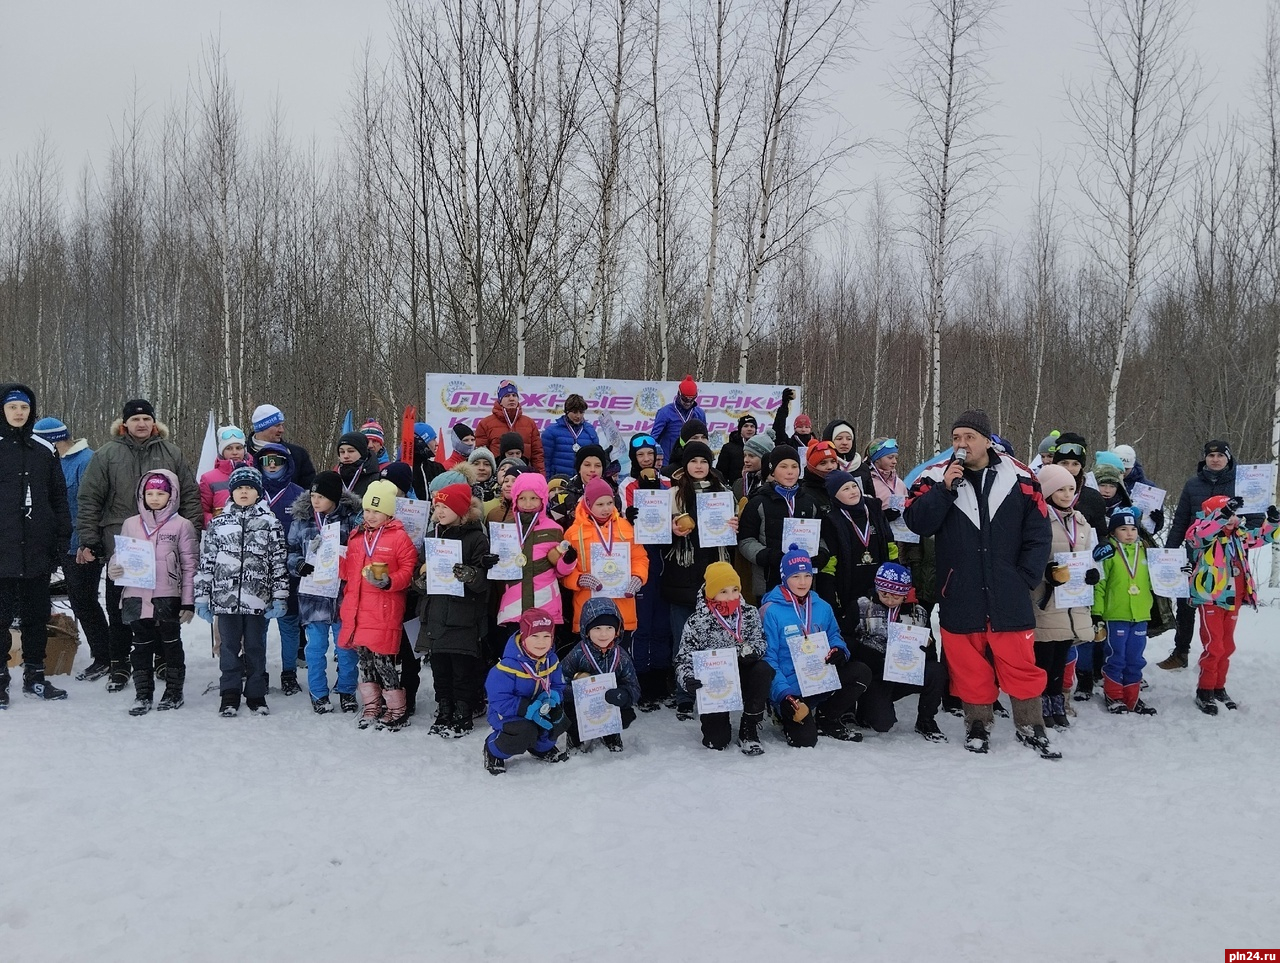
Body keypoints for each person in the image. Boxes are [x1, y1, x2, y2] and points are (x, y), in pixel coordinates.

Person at [904, 409, 1058, 758]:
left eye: (969, 437)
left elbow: (1038, 533)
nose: (961, 444)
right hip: (960, 589)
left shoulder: (1020, 476)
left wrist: (1025, 578)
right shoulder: (933, 477)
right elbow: (917, 522)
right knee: (967, 663)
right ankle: (977, 723)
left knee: (1019, 661)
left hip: (1009, 589)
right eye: (956, 438)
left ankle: (1030, 723)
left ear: (988, 440)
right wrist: (944, 490)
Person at [76, 398, 202, 692]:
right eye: (135, 420)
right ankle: (120, 663)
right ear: (124, 424)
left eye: (146, 418)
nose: (141, 424)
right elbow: (89, 498)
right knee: (121, 607)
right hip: (122, 544)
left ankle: (160, 657)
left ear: (155, 423)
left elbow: (190, 496)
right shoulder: (107, 454)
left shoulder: (171, 453)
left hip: (164, 547)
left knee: (162, 606)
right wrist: (90, 539)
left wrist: (190, 532)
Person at [194, 466, 289, 718]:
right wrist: (202, 597)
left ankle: (256, 694)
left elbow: (278, 562)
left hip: (257, 599)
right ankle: (230, 693)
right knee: (228, 647)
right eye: (238, 488)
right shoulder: (218, 523)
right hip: (225, 600)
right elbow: (207, 563)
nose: (243, 492)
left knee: (256, 647)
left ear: (257, 492)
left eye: (249, 488)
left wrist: (279, 597)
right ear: (231, 492)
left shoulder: (270, 523)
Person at [0, 384, 72, 705]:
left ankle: (35, 676)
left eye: (24, 408)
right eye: (13, 407)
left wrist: (60, 540)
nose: (19, 412)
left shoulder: (44, 449)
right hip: (3, 552)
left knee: (35, 616)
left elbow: (58, 499)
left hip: (37, 552)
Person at [108, 470, 198, 714]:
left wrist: (188, 602)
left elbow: (190, 565)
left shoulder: (182, 525)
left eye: (161, 493)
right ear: (142, 495)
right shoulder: (130, 523)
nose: (155, 498)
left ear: (172, 495)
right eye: (150, 493)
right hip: (135, 595)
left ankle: (173, 692)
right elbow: (120, 555)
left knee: (170, 644)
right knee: (141, 646)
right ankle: (143, 694)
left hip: (167, 594)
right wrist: (113, 568)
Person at [1183, 494, 1279, 714]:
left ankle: (1218, 687)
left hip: (1233, 597)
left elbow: (1263, 536)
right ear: (1210, 514)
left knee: (1227, 646)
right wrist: (1222, 514)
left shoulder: (1239, 534)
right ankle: (1204, 690)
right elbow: (1200, 536)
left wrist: (1273, 521)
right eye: (1225, 513)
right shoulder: (1201, 532)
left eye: (1233, 514)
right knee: (1214, 646)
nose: (1230, 518)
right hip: (1210, 597)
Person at [760, 547, 866, 746]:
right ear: (784, 578)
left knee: (861, 672)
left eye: (807, 575)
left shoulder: (822, 607)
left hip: (819, 679)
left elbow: (835, 635)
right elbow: (768, 658)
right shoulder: (771, 611)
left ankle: (827, 718)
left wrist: (839, 651)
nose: (803, 582)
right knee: (805, 741)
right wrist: (783, 695)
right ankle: (783, 711)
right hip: (790, 688)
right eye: (796, 576)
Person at [338, 479, 421, 730]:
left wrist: (389, 581)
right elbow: (348, 572)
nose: (371, 516)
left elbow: (409, 570)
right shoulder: (356, 537)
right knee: (364, 661)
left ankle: (397, 707)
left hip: (384, 610)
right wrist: (328, 556)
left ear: (388, 513)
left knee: (384, 662)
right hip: (357, 610)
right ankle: (372, 704)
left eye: (377, 511)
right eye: (367, 510)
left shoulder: (399, 538)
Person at [33, 416, 111, 682]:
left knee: (84, 601)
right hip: (57, 544)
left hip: (81, 545)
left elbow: (90, 507)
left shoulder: (86, 461)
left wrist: (86, 543)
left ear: (53, 441)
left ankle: (105, 656)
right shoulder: (53, 462)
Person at [417, 482, 494, 737]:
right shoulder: (432, 536)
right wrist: (420, 579)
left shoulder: (476, 538)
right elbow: (419, 573)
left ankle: (463, 712)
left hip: (463, 616)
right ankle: (444, 709)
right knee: (440, 669)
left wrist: (470, 574)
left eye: (445, 506)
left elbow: (484, 581)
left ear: (460, 509)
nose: (439, 511)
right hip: (436, 614)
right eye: (437, 506)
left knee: (462, 669)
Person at [673, 562, 775, 754]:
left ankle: (749, 728)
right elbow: (683, 658)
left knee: (763, 670)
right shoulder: (696, 621)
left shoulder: (750, 613)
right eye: (724, 591)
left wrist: (752, 652)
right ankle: (719, 724)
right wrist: (687, 679)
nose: (731, 597)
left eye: (735, 590)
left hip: (743, 673)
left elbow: (760, 641)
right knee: (717, 741)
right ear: (711, 593)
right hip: (714, 685)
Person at [287, 471, 363, 714]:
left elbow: (361, 550)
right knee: (316, 647)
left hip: (342, 594)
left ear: (335, 497)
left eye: (321, 496)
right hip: (313, 595)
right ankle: (318, 692)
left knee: (346, 648)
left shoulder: (352, 519)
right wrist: (297, 564)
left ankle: (347, 690)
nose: (315, 501)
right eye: (313, 495)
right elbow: (290, 550)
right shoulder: (302, 519)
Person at [1159, 440, 1238, 671]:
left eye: (1220, 455)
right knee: (1185, 605)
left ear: (1228, 458)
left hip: (1226, 560)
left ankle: (1216, 658)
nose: (1215, 459)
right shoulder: (1193, 484)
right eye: (1210, 455)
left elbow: (1252, 519)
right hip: (1195, 555)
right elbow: (1181, 520)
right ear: (1205, 458)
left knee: (1219, 611)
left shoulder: (1238, 484)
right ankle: (1181, 652)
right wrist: (1170, 552)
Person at [852, 563, 949, 741]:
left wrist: (925, 648)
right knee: (882, 724)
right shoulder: (862, 607)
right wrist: (870, 655)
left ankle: (926, 720)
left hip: (905, 673)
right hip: (876, 675)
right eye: (884, 594)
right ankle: (867, 710)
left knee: (936, 670)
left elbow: (931, 656)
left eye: (896, 596)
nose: (889, 600)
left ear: (905, 593)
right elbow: (847, 640)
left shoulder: (918, 613)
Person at [1032, 464, 1098, 725]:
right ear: (1048, 490)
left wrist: (1092, 573)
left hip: (1073, 602)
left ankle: (1057, 700)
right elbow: (1027, 558)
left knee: (1062, 655)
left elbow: (1088, 557)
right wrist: (1047, 573)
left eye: (1071, 488)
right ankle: (1042, 702)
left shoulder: (1081, 521)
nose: (1067, 494)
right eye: (1060, 489)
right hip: (1046, 600)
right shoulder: (1037, 519)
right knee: (1045, 656)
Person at [618, 434, 674, 709]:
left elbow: (673, 513)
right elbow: (627, 515)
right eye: (640, 456)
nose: (646, 460)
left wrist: (658, 488)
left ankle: (661, 676)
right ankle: (639, 676)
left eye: (650, 455)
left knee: (663, 621)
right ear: (633, 458)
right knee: (642, 622)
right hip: (641, 555)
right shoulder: (627, 484)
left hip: (664, 556)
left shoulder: (668, 483)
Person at [483, 607, 570, 774]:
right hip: (508, 712)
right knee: (525, 731)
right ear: (523, 637)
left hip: (540, 706)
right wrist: (527, 708)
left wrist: (551, 698)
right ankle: (493, 749)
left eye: (547, 636)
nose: (541, 642)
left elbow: (558, 685)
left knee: (558, 719)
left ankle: (540, 748)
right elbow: (499, 700)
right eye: (535, 636)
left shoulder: (551, 660)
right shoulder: (506, 667)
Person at [1091, 506, 1158, 715]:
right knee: (1116, 657)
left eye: (1133, 529)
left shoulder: (1147, 552)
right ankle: (1114, 695)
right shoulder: (1108, 553)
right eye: (1123, 529)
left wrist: (1178, 574)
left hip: (1140, 614)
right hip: (1116, 614)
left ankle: (1133, 697)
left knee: (1135, 658)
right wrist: (1097, 613)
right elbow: (1100, 584)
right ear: (1112, 532)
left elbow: (1160, 578)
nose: (1129, 533)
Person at [561, 477, 648, 637]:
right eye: (600, 504)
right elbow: (563, 571)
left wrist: (637, 578)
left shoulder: (625, 526)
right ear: (588, 504)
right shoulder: (573, 533)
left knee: (620, 659)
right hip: (589, 610)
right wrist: (579, 579)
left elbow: (640, 558)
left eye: (609, 503)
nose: (606, 509)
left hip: (622, 608)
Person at [738, 446, 828, 597]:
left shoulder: (810, 502)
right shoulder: (758, 502)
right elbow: (745, 540)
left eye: (794, 466)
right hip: (769, 581)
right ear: (772, 471)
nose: (790, 471)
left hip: (804, 583)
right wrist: (768, 556)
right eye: (783, 466)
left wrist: (822, 554)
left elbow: (822, 537)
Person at [817, 469, 893, 641]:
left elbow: (890, 544)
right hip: (849, 587)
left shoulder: (874, 511)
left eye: (854, 486)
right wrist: (831, 595)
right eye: (845, 489)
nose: (853, 491)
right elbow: (830, 562)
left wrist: (895, 568)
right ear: (834, 495)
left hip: (879, 586)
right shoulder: (832, 520)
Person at [559, 596, 641, 752]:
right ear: (586, 630)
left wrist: (622, 695)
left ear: (617, 631)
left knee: (626, 714)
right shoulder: (577, 653)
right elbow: (558, 683)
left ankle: (611, 734)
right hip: (581, 707)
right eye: (597, 628)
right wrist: (577, 692)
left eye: (609, 628)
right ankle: (575, 736)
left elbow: (633, 686)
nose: (603, 634)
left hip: (608, 705)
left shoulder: (621, 656)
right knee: (570, 714)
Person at [494, 473, 576, 627]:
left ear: (543, 499)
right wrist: (491, 561)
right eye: (522, 498)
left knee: (543, 648)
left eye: (534, 498)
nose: (528, 503)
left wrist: (568, 561)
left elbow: (560, 572)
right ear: (515, 499)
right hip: (513, 606)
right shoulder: (505, 529)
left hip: (545, 604)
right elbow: (499, 568)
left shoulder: (554, 529)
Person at [258, 442, 307, 695]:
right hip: (258, 572)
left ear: (288, 464)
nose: (273, 465)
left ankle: (288, 673)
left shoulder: (300, 494)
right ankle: (259, 672)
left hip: (289, 571)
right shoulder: (252, 492)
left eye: (277, 460)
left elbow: (307, 533)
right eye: (267, 461)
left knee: (289, 624)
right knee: (260, 626)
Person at [475, 380, 545, 473]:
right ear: (500, 400)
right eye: (507, 396)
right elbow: (481, 456)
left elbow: (537, 456)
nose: (511, 399)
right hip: (497, 477)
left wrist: (540, 477)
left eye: (514, 395)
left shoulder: (529, 423)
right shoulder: (485, 424)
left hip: (524, 475)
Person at [1050, 432, 1107, 543]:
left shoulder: (1093, 497)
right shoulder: (1043, 494)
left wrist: (1104, 544)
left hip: (1082, 558)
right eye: (1064, 463)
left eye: (1075, 464)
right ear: (1056, 464)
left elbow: (1101, 534)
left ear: (1081, 466)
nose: (1069, 469)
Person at [246, 404, 316, 488]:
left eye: (282, 425)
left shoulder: (297, 454)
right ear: (262, 426)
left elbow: (309, 491)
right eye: (277, 425)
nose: (281, 430)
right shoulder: (241, 454)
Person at [198, 425, 254, 525]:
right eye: (229, 448)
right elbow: (202, 511)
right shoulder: (209, 478)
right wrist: (217, 523)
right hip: (221, 534)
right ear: (221, 451)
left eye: (239, 448)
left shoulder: (255, 474)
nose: (235, 452)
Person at [542, 394, 600, 479]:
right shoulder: (551, 431)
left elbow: (596, 458)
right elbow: (545, 461)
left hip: (582, 480)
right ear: (567, 411)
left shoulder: (590, 431)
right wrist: (546, 480)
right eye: (575, 412)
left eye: (581, 412)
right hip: (558, 481)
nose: (578, 416)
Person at [651, 376, 707, 464]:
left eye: (692, 399)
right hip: (668, 462)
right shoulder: (665, 412)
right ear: (678, 394)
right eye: (685, 399)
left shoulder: (699, 413)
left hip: (691, 462)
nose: (688, 402)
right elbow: (654, 438)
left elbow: (704, 438)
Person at [334, 430, 380, 499]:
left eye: (351, 451)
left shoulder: (376, 480)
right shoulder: (333, 477)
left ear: (362, 453)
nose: (346, 456)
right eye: (342, 452)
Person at [715, 414, 757, 485]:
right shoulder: (728, 448)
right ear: (740, 429)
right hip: (734, 488)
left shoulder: (760, 447)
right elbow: (721, 473)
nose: (749, 429)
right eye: (746, 426)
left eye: (752, 426)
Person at [411, 423, 446, 499]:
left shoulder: (437, 468)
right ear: (421, 442)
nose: (436, 444)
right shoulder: (404, 469)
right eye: (433, 439)